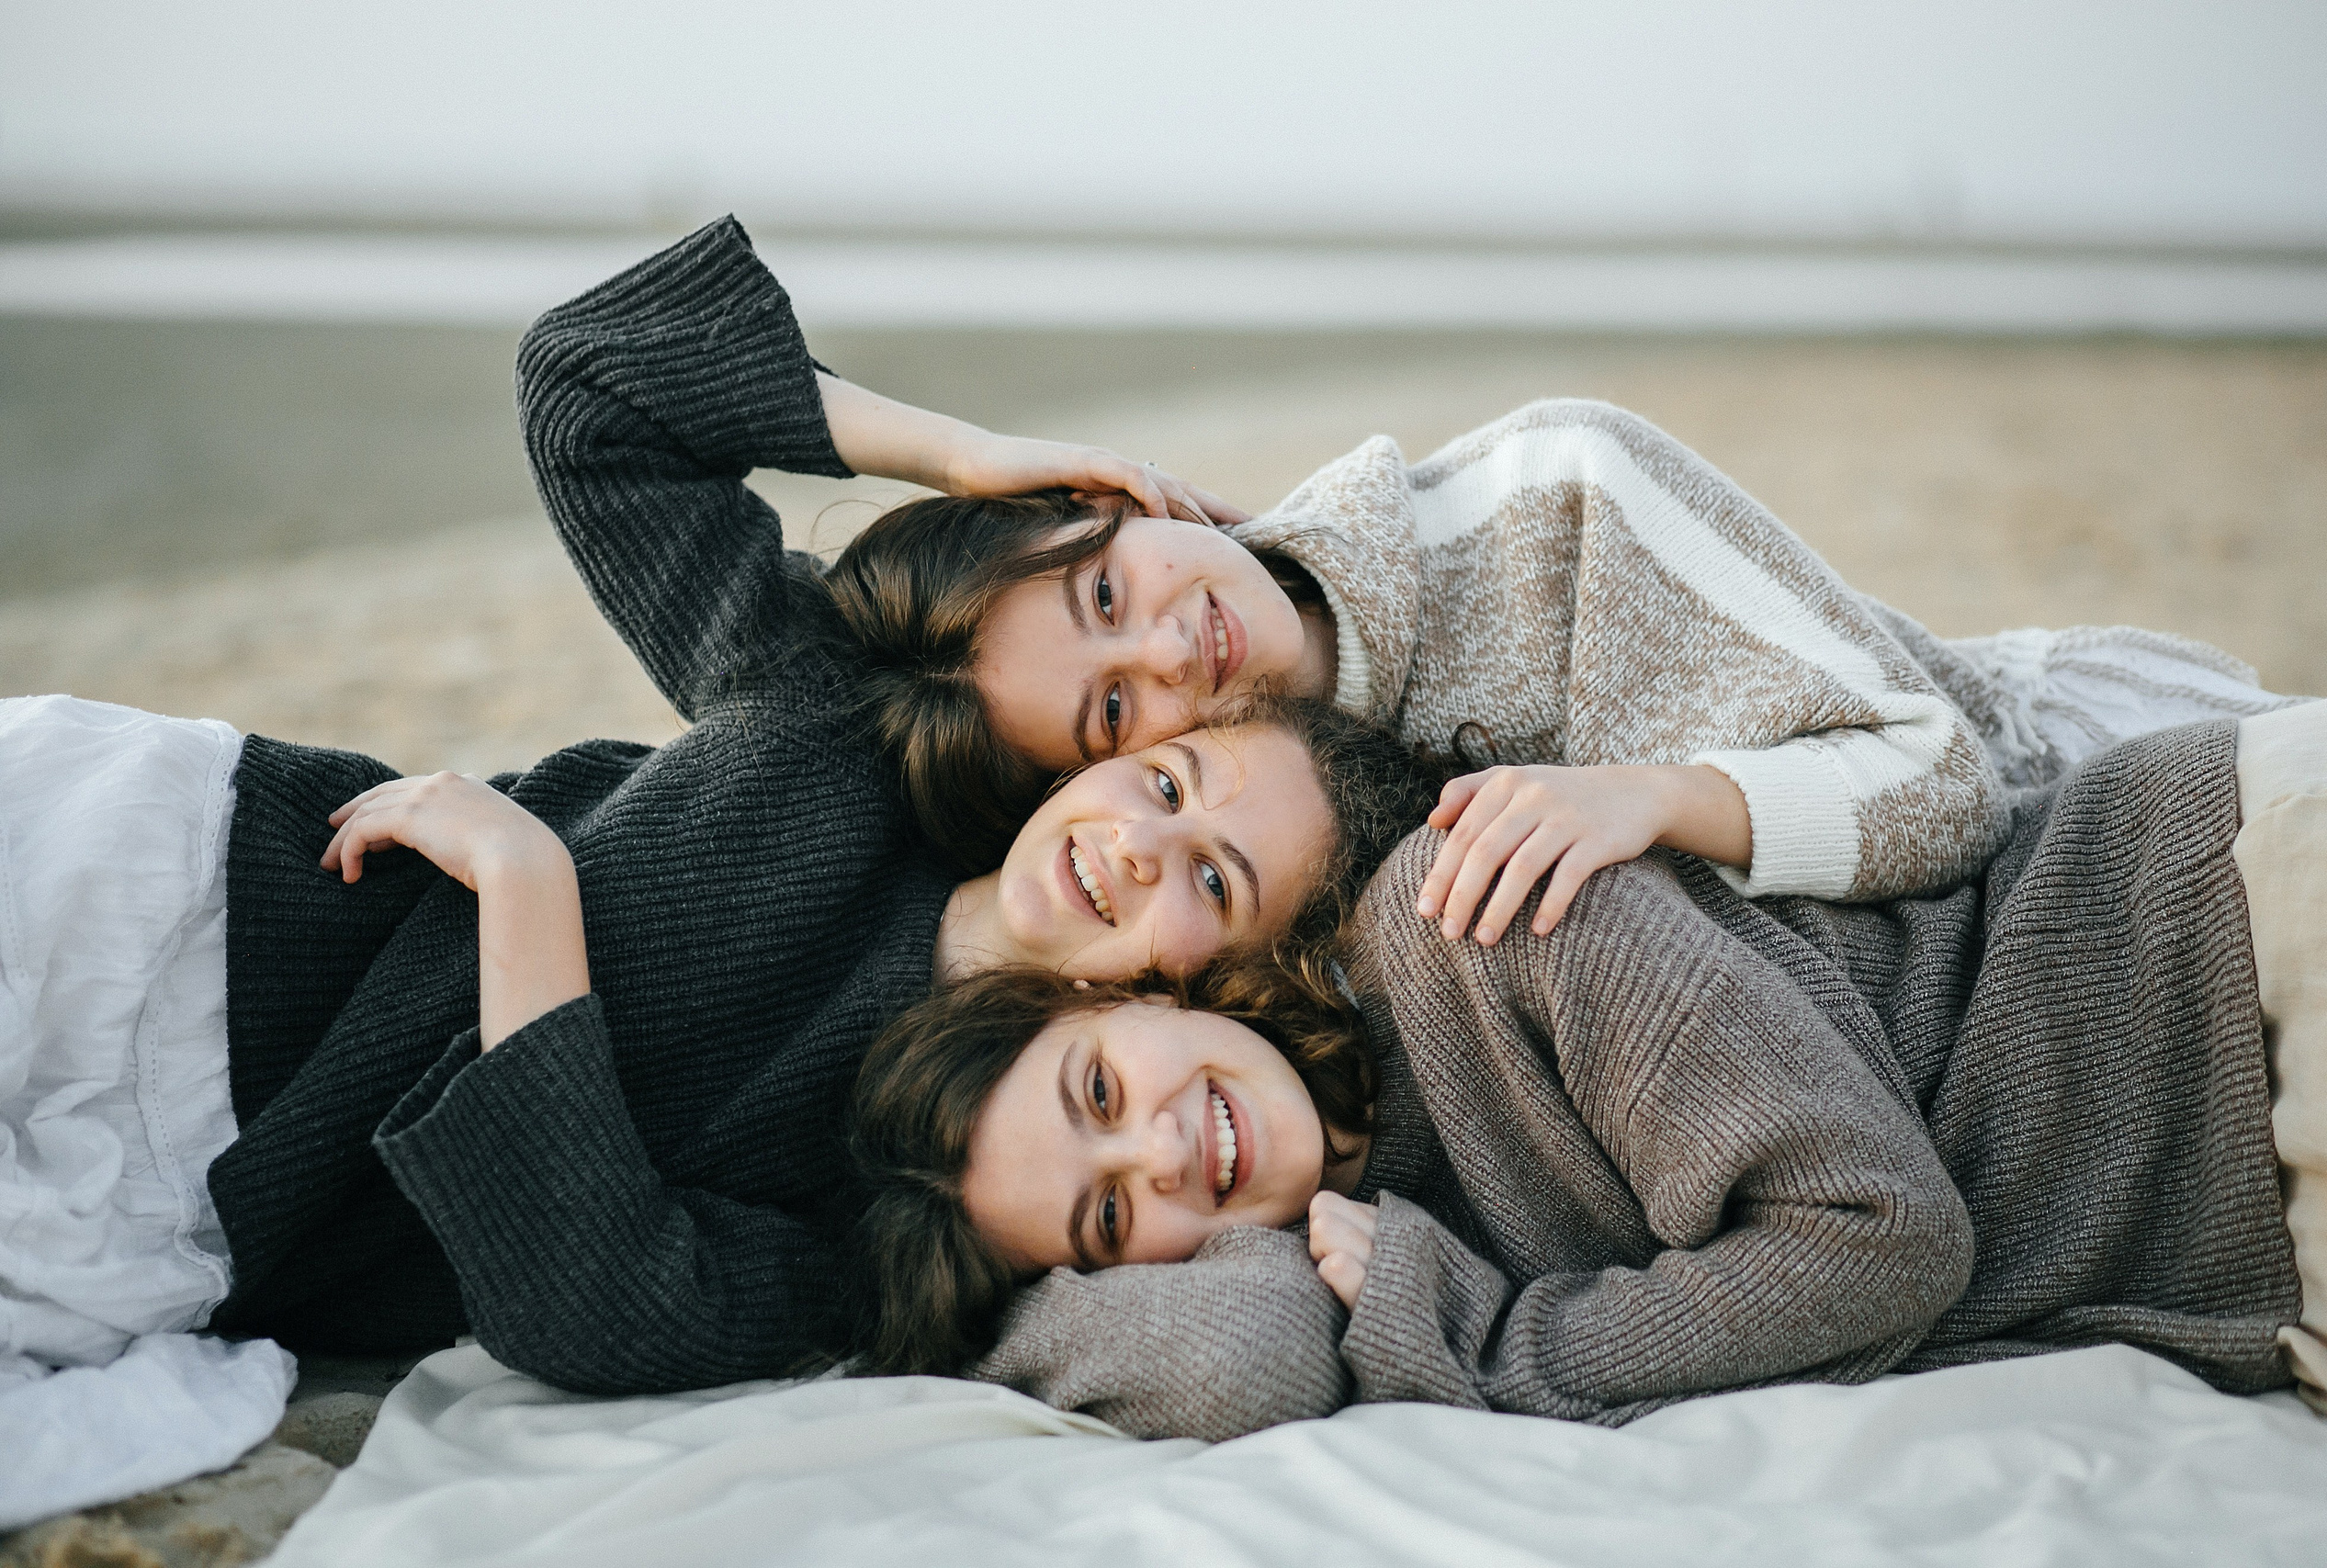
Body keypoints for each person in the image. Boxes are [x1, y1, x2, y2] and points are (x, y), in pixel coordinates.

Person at [0, 220, 1436, 1405]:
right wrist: (959, 455)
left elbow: (606, 1309)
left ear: (1222, 977)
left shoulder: (958, 1170)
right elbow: (590, 387)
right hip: (170, 883)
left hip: (181, 1190)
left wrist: (526, 887)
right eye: (1146, 768)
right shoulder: (846, 724)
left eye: (1212, 878)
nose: (1135, 842)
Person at [848, 695, 2327, 1438]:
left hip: (2237, 944)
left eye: (1100, 1094)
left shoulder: (1472, 915)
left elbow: (1882, 1240)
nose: (1163, 1155)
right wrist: (971, 1319)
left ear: (1149, 991)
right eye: (1110, 1220)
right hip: (2267, 1241)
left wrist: (1491, 1341)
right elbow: (1241, 1356)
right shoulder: (1339, 1242)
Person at [824, 369, 2299, 946]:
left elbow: (1949, 779)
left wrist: (1646, 797)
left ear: (1102, 501)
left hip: (2127, 783)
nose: (1169, 644)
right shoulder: (1236, 836)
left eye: (1101, 592)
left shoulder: (1556, 497)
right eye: (1113, 709)